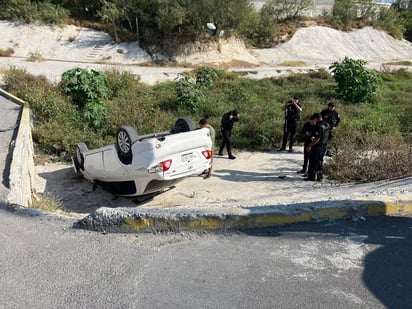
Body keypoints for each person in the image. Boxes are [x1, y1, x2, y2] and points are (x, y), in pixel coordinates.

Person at [304, 113, 330, 181]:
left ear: (316, 119)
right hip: (324, 145)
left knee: (313, 161)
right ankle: (319, 176)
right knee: (319, 161)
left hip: (317, 146)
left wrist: (309, 146)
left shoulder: (319, 126)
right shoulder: (327, 124)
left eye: (314, 120)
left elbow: (317, 138)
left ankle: (311, 176)